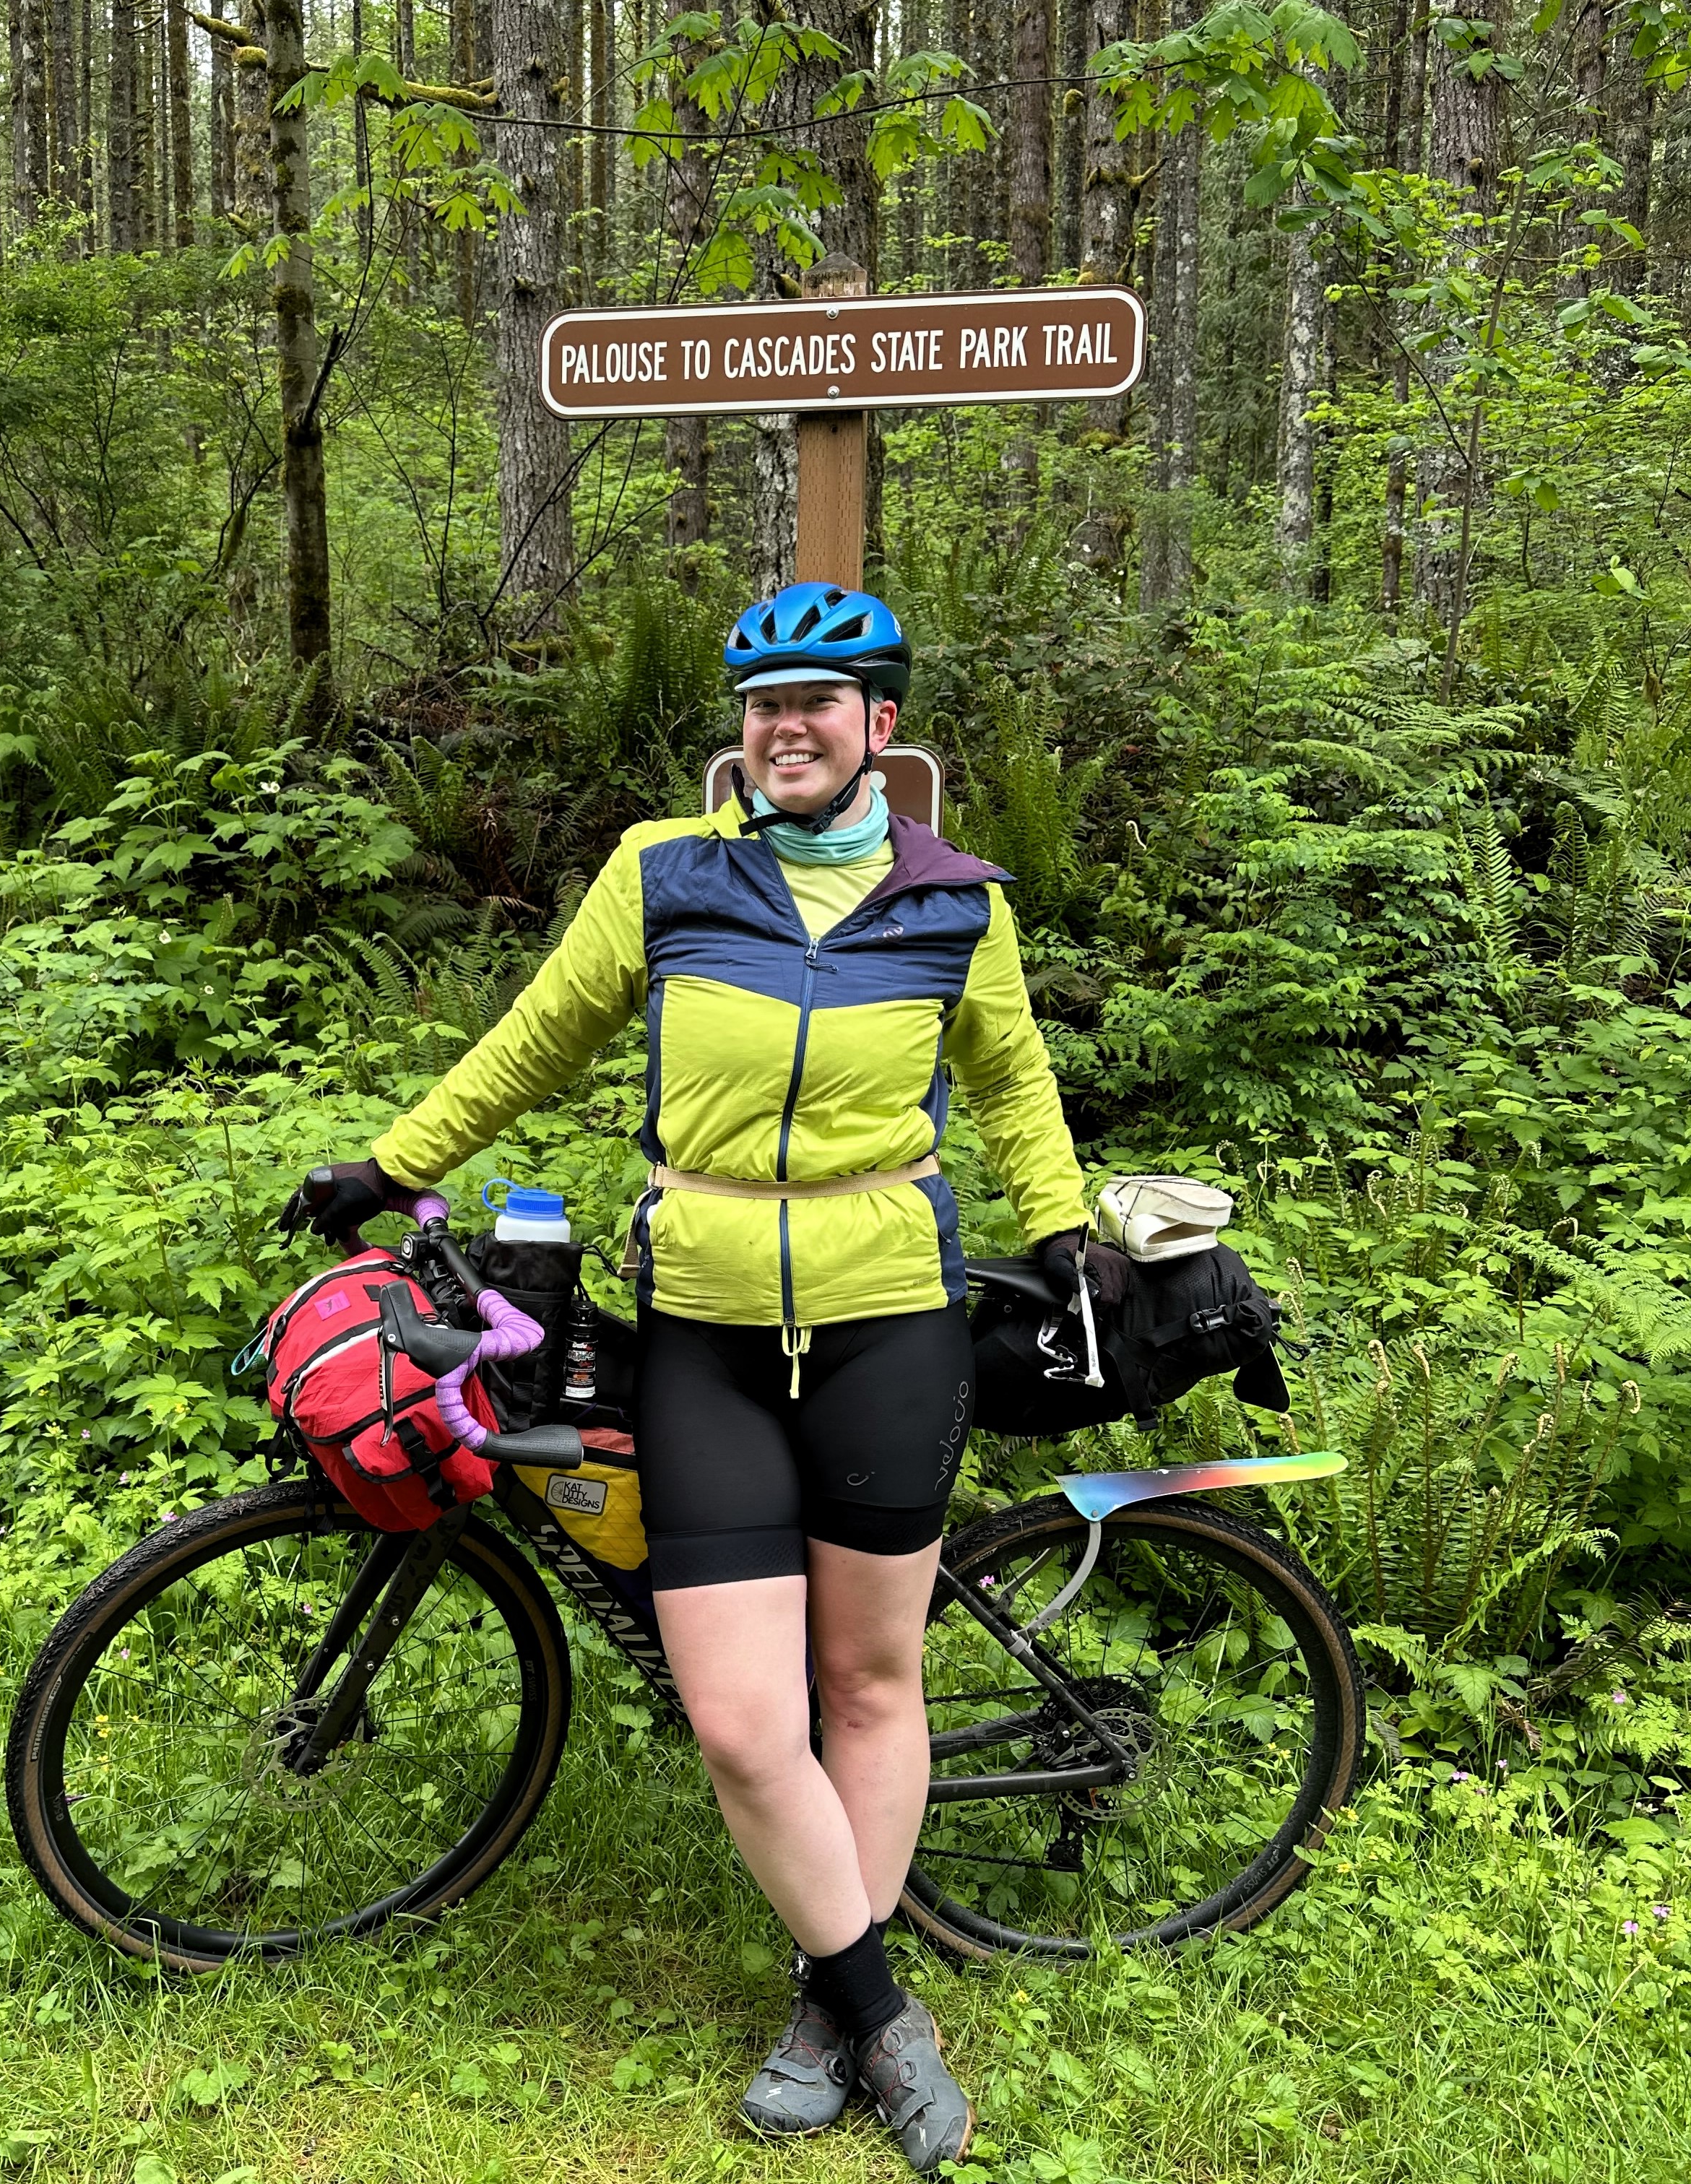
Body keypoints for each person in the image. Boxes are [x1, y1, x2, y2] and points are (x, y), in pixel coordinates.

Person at [282, 582, 1121, 2175]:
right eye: (762, 705)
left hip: (893, 1320)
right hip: (706, 1334)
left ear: (882, 731)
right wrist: (394, 1166)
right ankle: (883, 2005)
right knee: (744, 1721)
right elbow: (538, 1036)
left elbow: (1013, 1082)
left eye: (822, 702)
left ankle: (823, 2002)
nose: (785, 726)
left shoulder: (957, 903)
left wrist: (1065, 1226)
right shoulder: (667, 875)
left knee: (870, 1685)